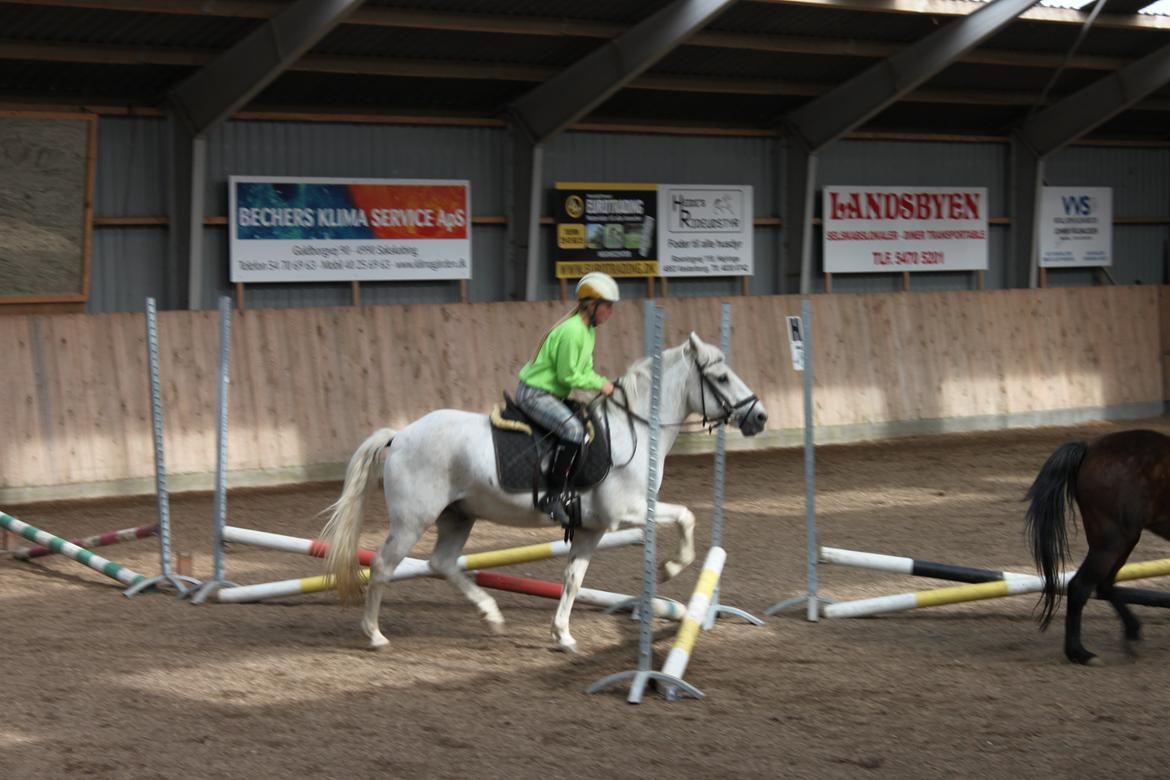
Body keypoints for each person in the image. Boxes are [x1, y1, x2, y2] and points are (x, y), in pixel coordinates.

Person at [516, 271, 619, 526]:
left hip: (551, 393)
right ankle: (551, 497)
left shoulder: (588, 331)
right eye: (607, 306)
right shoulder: (573, 331)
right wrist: (600, 384)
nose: (610, 312)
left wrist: (601, 383)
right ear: (591, 305)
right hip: (535, 394)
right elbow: (568, 376)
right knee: (574, 432)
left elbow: (585, 371)